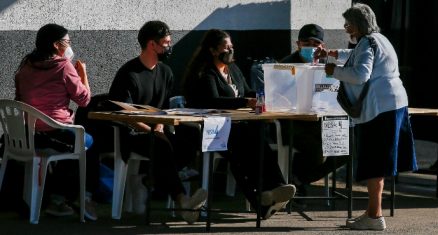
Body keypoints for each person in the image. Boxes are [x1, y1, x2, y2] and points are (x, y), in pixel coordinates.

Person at [315, 3, 417, 230]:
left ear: (358, 24)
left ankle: (374, 216)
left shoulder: (367, 42)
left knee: (374, 162)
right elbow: (356, 55)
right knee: (378, 163)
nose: (346, 28)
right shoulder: (379, 39)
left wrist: (334, 71)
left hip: (380, 107)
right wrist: (333, 53)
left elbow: (361, 74)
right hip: (395, 103)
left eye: (348, 24)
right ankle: (374, 213)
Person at [183, 29, 296, 219]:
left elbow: (248, 92)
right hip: (213, 129)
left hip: (238, 128)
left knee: (252, 141)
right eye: (226, 47)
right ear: (213, 50)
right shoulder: (206, 72)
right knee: (242, 147)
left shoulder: (233, 69)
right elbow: (212, 101)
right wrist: (244, 102)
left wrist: (264, 98)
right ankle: (264, 195)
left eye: (231, 46)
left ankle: (274, 189)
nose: (230, 50)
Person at [108, 20, 207, 224]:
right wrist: (152, 131)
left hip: (155, 130)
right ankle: (183, 201)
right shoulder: (129, 73)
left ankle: (150, 179)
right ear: (152, 44)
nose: (169, 47)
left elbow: (160, 110)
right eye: (165, 43)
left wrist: (160, 127)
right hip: (132, 134)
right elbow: (124, 114)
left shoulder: (165, 73)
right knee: (161, 144)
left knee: (191, 138)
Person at [14, 23, 98, 220]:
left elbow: (19, 97)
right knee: (89, 142)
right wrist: (83, 74)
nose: (69, 46)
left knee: (74, 142)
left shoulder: (25, 66)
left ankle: (57, 199)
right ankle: (79, 197)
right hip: (56, 133)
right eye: (67, 42)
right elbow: (84, 100)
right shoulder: (63, 67)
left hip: (28, 136)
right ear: (56, 45)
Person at [279, 24, 348, 197]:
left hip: (322, 122)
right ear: (298, 44)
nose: (311, 47)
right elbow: (277, 97)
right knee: (316, 149)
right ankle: (297, 182)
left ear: (322, 47)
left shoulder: (328, 67)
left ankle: (300, 179)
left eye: (315, 43)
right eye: (306, 42)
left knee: (347, 148)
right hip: (294, 123)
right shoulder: (285, 65)